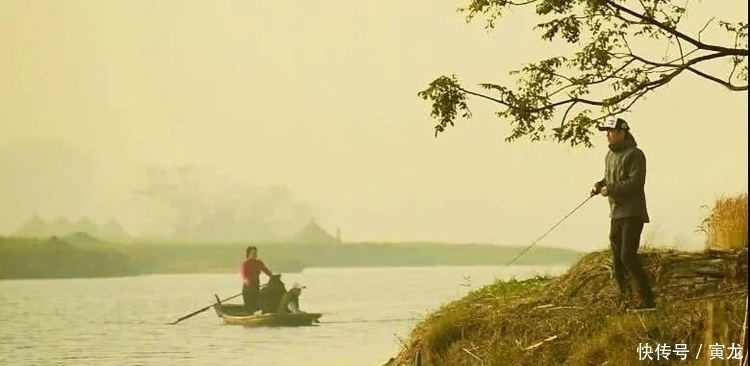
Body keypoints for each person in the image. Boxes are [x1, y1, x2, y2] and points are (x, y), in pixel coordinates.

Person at [591, 117, 656, 311]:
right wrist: (600, 185)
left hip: (633, 213)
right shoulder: (609, 156)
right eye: (606, 133)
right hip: (616, 214)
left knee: (628, 255)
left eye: (611, 132)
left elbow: (635, 183)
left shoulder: (636, 154)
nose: (608, 136)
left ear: (622, 132)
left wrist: (610, 189)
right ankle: (626, 299)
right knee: (617, 260)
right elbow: (609, 178)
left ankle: (648, 301)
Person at [240, 246, 273, 314]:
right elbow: (244, 274)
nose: (255, 255)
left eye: (256, 253)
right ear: (249, 254)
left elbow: (266, 271)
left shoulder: (259, 262)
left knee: (256, 304)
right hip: (248, 287)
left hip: (256, 286)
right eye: (253, 253)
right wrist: (247, 280)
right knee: (249, 305)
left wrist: (272, 276)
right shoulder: (246, 263)